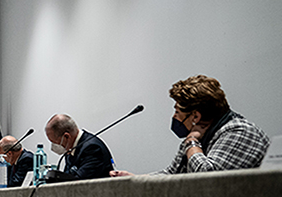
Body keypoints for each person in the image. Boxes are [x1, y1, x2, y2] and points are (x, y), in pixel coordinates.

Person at [111, 75, 270, 177]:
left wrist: (191, 142)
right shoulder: (198, 135)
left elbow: (206, 178)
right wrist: (136, 179)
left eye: (178, 111)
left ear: (195, 116)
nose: (175, 117)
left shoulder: (238, 131)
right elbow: (171, 174)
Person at [45, 114, 113, 180]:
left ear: (66, 137)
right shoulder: (70, 148)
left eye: (55, 142)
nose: (53, 146)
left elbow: (79, 182)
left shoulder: (92, 148)